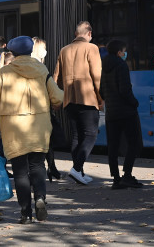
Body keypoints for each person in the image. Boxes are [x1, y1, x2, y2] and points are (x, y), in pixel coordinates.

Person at [0, 36, 64, 224]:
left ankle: (25, 213)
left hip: (13, 130)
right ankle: (40, 199)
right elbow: (58, 98)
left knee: (20, 171)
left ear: (12, 52)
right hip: (38, 128)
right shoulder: (42, 69)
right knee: (37, 166)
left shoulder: (4, 73)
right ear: (31, 50)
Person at [53, 21, 103, 185]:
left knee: (76, 135)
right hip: (87, 98)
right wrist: (101, 98)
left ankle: (79, 172)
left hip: (69, 100)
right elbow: (97, 76)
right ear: (89, 33)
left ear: (76, 34)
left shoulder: (64, 50)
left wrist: (60, 95)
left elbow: (56, 78)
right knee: (90, 134)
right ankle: (77, 168)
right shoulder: (92, 48)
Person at [100, 39, 144, 190]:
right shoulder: (121, 65)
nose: (125, 54)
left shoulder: (104, 66)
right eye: (124, 51)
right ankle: (127, 175)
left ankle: (116, 178)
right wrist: (135, 103)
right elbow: (125, 90)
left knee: (113, 145)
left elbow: (101, 91)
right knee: (134, 143)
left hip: (111, 112)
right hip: (126, 112)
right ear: (119, 52)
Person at [31, 37, 63, 181]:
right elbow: (53, 92)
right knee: (45, 140)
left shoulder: (24, 65)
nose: (45, 51)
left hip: (31, 110)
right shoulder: (40, 68)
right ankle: (49, 169)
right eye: (43, 48)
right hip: (42, 109)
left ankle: (50, 167)